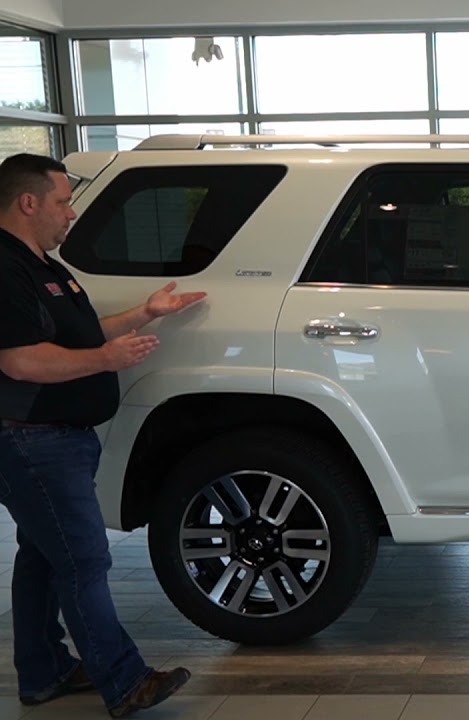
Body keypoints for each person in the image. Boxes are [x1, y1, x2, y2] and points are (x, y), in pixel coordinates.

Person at [0, 153, 205, 717]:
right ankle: (124, 680)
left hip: (56, 438)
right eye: (63, 201)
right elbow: (20, 362)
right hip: (31, 439)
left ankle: (44, 674)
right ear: (28, 202)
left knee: (42, 558)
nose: (70, 213)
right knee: (84, 560)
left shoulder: (44, 264)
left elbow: (81, 335)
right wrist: (105, 359)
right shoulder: (5, 268)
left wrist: (144, 313)